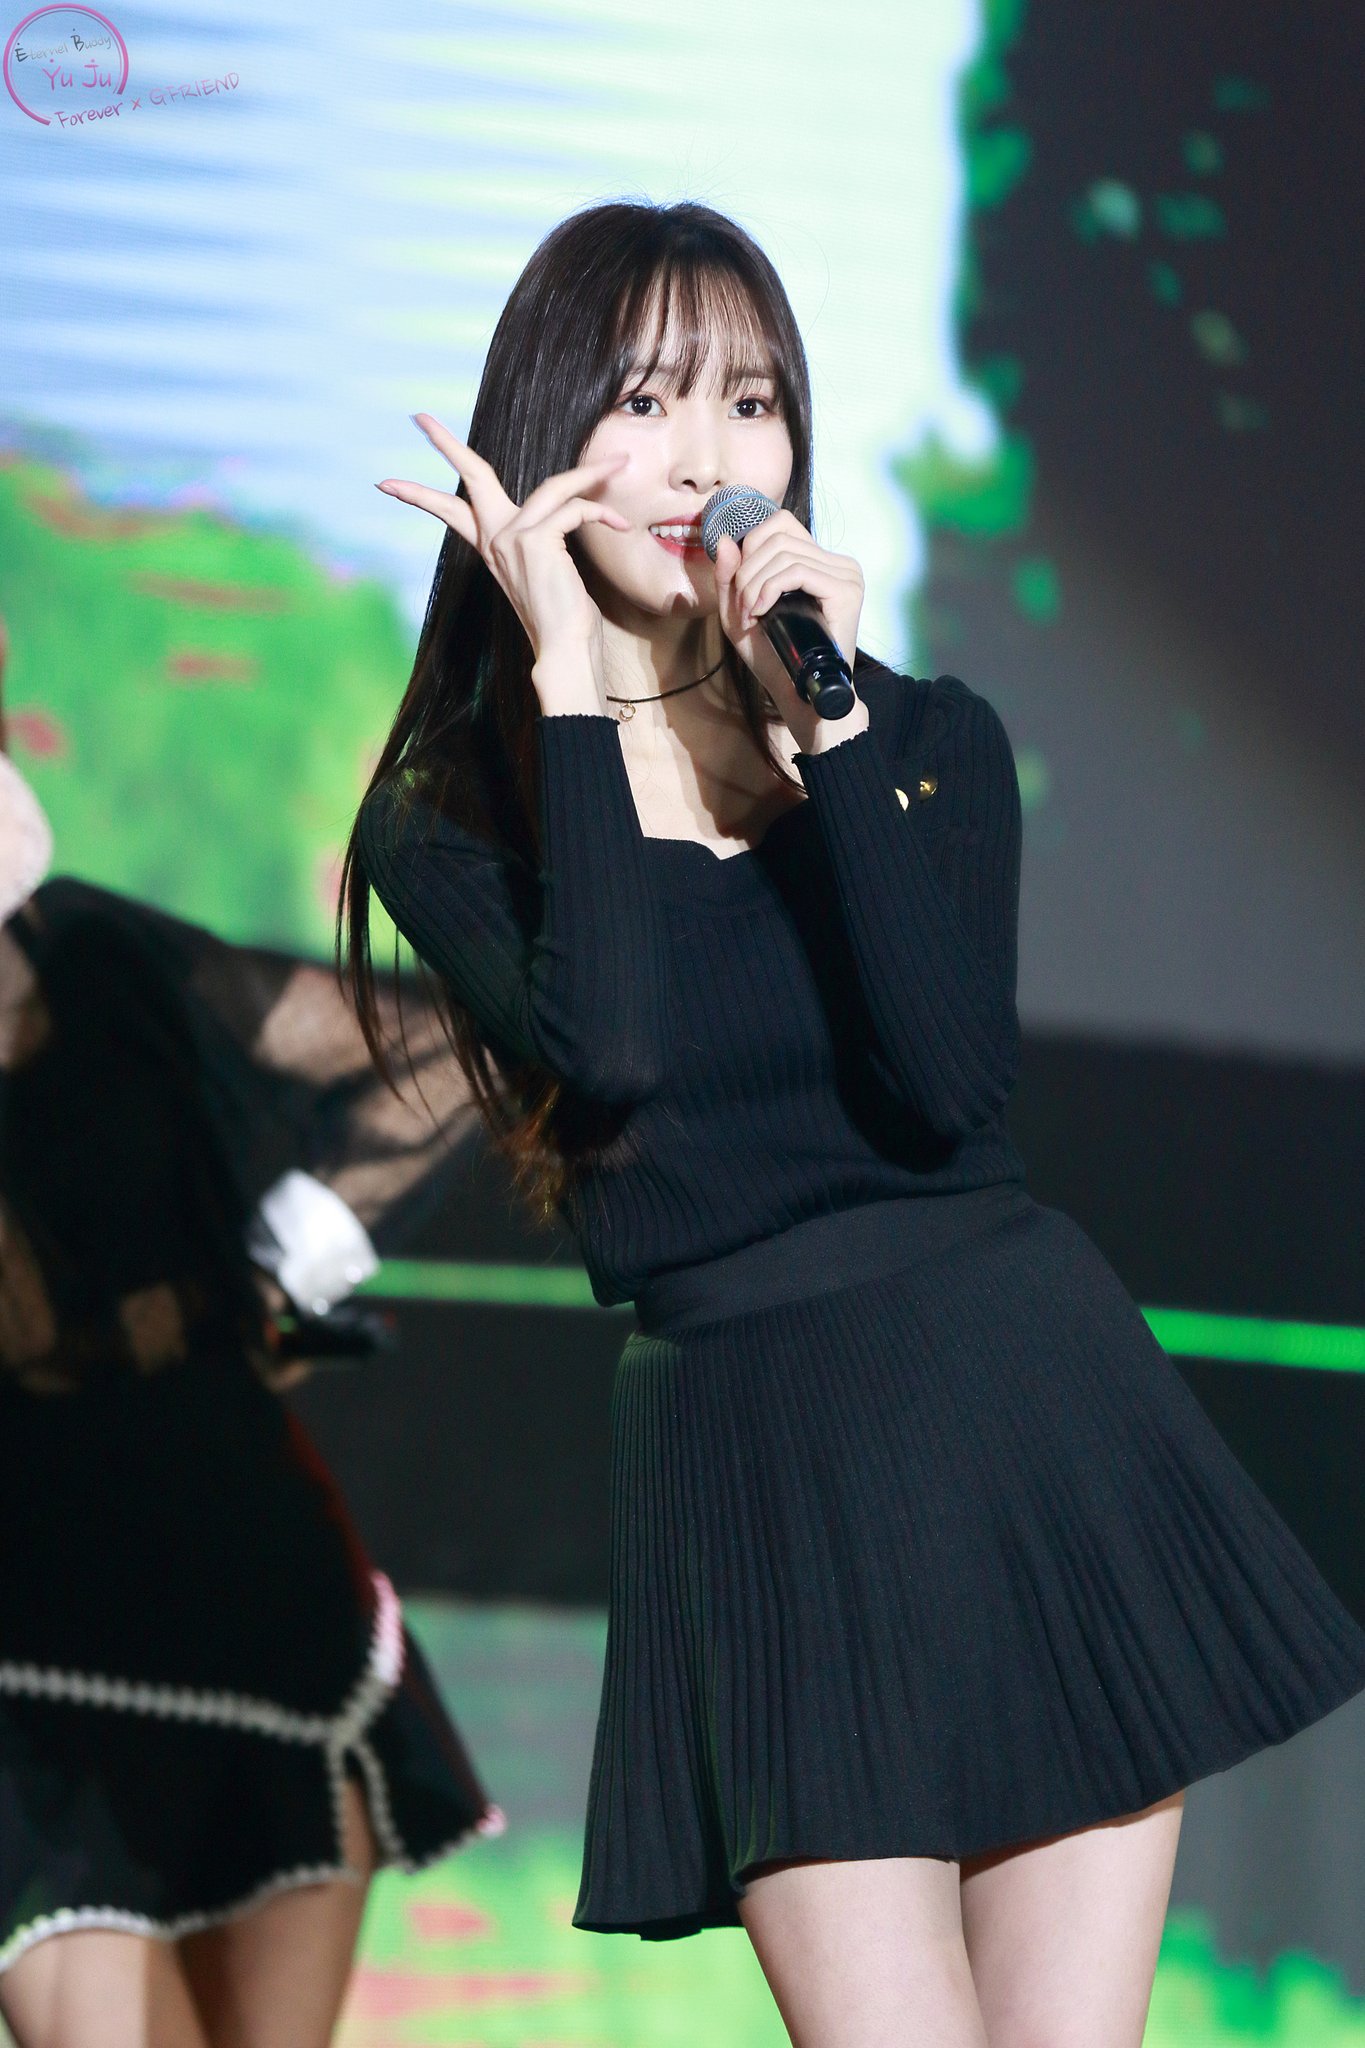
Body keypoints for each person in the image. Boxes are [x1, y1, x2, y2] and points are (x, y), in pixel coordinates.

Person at [345, 199, 1365, 2048]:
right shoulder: (458, 820)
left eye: (750, 404)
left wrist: (833, 736)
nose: (704, 459)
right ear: (550, 433)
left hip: (1023, 1414)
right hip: (759, 1466)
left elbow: (952, 1085)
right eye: (646, 401)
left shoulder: (924, 746)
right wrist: (568, 687)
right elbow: (613, 1055)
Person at [0, 713, 501, 2047]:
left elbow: (436, 1059)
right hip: (26, 1657)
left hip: (244, 1591)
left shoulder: (98, 955)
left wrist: (279, 1265)